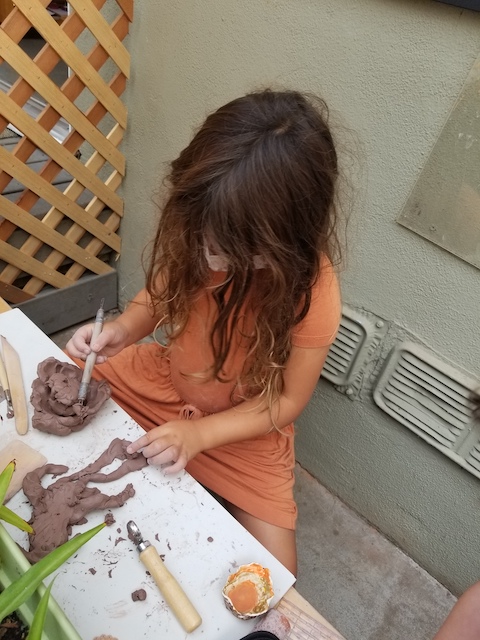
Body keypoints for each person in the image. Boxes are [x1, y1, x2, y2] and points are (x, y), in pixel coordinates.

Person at [66, 89, 343, 577]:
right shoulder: (203, 226)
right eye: (206, 241)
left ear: (288, 238)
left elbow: (285, 401)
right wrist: (123, 329)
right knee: (61, 381)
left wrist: (200, 434)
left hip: (244, 429)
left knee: (278, 577)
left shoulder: (313, 292)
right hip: (162, 385)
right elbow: (159, 295)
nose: (210, 257)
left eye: (230, 250)